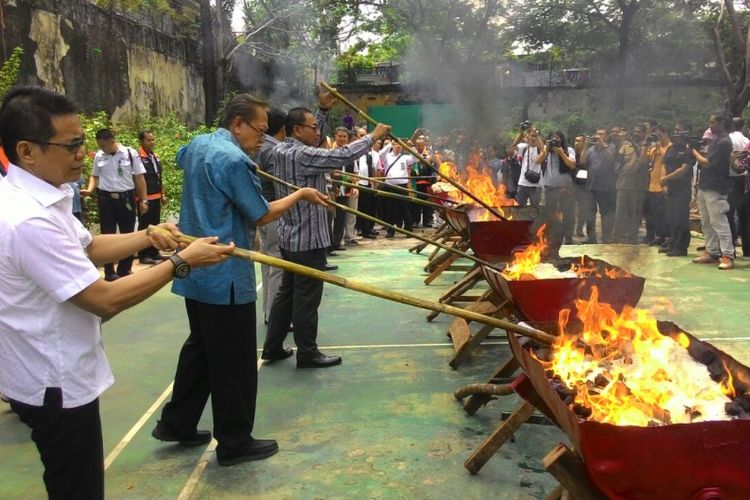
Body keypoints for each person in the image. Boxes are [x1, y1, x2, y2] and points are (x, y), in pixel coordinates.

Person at [0, 85, 233, 499]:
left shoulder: (40, 197)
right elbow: (103, 299)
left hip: (49, 369)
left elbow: (89, 247)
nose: (82, 156)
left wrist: (148, 235)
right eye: (71, 146)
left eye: (83, 144)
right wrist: (182, 262)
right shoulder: (28, 219)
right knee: (77, 488)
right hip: (53, 377)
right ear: (27, 150)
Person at [152, 94, 327, 466]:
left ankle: (177, 422)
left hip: (194, 268)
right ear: (237, 123)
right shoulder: (233, 160)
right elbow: (260, 214)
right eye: (260, 131)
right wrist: (299, 194)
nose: (262, 140)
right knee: (234, 361)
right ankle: (234, 441)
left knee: (201, 348)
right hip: (224, 273)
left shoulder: (201, 144)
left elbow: (182, 156)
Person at [263, 93, 391, 368]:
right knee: (307, 299)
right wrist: (372, 137)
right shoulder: (302, 154)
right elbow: (339, 155)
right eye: (313, 126)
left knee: (287, 294)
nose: (318, 131)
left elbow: (317, 142)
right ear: (297, 130)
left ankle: (272, 346)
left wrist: (321, 110)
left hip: (290, 236)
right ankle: (307, 353)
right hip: (308, 239)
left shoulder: (281, 150)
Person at [85, 128, 148, 281]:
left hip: (126, 198)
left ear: (112, 141)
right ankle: (109, 271)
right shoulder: (100, 155)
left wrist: (144, 200)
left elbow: (139, 178)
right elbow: (95, 176)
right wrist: (89, 190)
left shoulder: (130, 153)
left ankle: (124, 269)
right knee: (108, 234)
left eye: (103, 145)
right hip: (106, 198)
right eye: (99, 145)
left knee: (128, 234)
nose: (101, 148)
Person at [254, 107, 288, 323]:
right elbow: (281, 182)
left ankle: (269, 311)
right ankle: (276, 315)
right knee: (277, 264)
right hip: (275, 210)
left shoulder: (259, 145)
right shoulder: (275, 150)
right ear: (284, 128)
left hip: (263, 210)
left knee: (268, 262)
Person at [691, 111, 735, 270]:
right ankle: (712, 251)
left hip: (716, 187)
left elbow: (708, 163)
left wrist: (693, 152)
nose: (709, 125)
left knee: (719, 222)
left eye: (712, 122)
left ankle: (728, 255)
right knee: (707, 222)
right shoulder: (716, 140)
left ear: (721, 123)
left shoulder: (724, 142)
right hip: (706, 185)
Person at [537, 131, 577, 247]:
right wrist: (546, 149)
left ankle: (568, 237)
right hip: (550, 187)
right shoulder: (546, 151)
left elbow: (572, 165)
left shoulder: (568, 150)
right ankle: (552, 237)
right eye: (552, 139)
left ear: (562, 140)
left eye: (557, 139)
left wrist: (561, 153)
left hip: (565, 187)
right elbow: (537, 161)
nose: (554, 141)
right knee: (550, 213)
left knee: (568, 213)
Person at [658, 125, 693, 256]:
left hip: (682, 189)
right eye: (675, 130)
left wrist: (665, 178)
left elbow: (683, 170)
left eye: (679, 130)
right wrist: (664, 184)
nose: (676, 132)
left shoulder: (689, 149)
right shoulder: (671, 148)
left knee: (681, 218)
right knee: (671, 218)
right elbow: (664, 164)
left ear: (687, 131)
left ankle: (681, 247)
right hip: (670, 188)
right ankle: (672, 243)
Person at [136, 130, 168, 265]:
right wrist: (142, 199)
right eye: (149, 140)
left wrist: (163, 194)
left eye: (153, 139)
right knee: (145, 227)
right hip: (145, 198)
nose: (152, 142)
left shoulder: (154, 156)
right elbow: (137, 179)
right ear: (142, 141)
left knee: (155, 226)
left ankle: (154, 252)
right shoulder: (138, 157)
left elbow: (159, 177)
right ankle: (143, 255)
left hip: (156, 196)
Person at [580, 128, 617, 243]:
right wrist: (585, 146)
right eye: (597, 134)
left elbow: (611, 159)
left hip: (606, 187)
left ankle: (606, 237)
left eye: (601, 134)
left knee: (605, 213)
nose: (598, 136)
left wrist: (602, 144)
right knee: (590, 213)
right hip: (591, 186)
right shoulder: (591, 150)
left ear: (606, 136)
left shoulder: (611, 148)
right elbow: (582, 161)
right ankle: (591, 238)